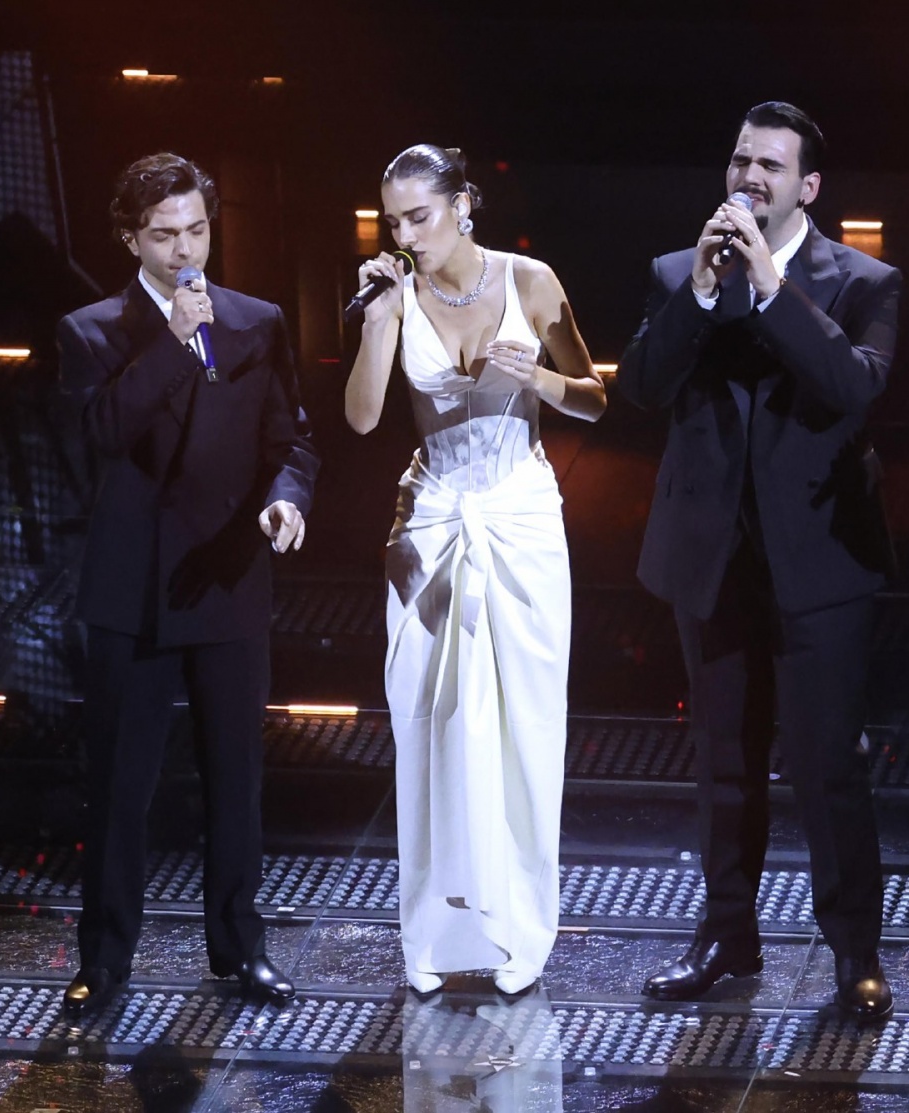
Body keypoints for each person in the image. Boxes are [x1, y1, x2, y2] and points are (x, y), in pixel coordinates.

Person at [620, 102, 900, 1019]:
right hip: (712, 561)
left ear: (806, 186)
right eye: (740, 159)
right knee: (722, 761)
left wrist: (774, 288)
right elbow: (642, 389)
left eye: (770, 166)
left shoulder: (862, 281)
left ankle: (854, 949)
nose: (749, 176)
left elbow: (849, 389)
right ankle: (727, 935)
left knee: (828, 765)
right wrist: (701, 294)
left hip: (820, 564)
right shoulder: (678, 272)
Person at [57, 152, 319, 1016]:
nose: (184, 251)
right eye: (164, 235)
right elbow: (99, 434)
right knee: (121, 789)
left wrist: (286, 500)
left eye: (197, 231)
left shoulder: (256, 321)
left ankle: (240, 951)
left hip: (227, 580)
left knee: (236, 779)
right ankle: (105, 962)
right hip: (131, 595)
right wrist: (171, 343)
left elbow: (292, 439)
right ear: (131, 237)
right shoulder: (91, 331)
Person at [344, 144, 606, 995]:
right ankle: (434, 931)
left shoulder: (530, 280)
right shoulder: (397, 294)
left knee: (526, 728)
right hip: (433, 517)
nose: (407, 233)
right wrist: (379, 318)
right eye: (395, 221)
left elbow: (594, 395)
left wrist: (539, 376)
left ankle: (520, 927)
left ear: (464, 205)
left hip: (522, 515)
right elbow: (361, 418)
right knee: (430, 724)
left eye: (420, 215)